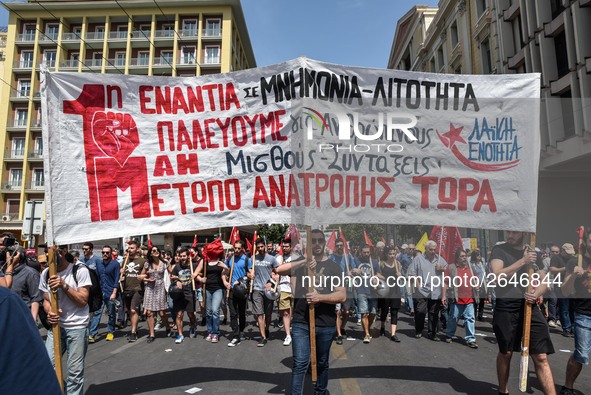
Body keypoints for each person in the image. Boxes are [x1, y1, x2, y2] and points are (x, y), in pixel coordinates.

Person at [276, 229, 346, 395]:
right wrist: (304, 262)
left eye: (319, 241)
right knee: (300, 363)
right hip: (301, 321)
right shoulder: (301, 262)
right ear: (308, 244)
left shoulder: (334, 267)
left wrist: (320, 297)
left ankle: (320, 392)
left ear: (324, 243)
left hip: (325, 323)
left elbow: (342, 295)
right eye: (312, 241)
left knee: (322, 362)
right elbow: (279, 270)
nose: (316, 244)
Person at [490, 231, 555, 395]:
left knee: (541, 356)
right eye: (508, 232)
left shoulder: (534, 254)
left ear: (524, 234)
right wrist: (523, 261)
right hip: (506, 307)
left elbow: (545, 281)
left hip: (529, 306)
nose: (509, 235)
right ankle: (503, 390)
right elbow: (497, 276)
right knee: (506, 353)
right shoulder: (499, 250)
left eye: (514, 232)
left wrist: (536, 292)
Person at [40, 250, 92, 395]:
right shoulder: (46, 273)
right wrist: (50, 311)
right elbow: (45, 299)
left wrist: (64, 285)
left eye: (51, 250)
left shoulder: (79, 270)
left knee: (74, 373)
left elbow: (82, 301)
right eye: (46, 251)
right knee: (47, 366)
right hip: (56, 326)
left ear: (62, 251)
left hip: (77, 327)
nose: (48, 254)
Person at [0, 286, 62, 394]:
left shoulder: (6, 301)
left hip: (21, 321)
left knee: (74, 371)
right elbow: (46, 297)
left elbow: (36, 298)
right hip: (23, 320)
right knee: (52, 362)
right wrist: (49, 309)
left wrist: (33, 318)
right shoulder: (46, 274)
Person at [559, 229, 591, 395]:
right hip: (584, 315)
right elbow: (564, 291)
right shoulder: (575, 262)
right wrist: (573, 276)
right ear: (586, 242)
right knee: (581, 354)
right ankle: (567, 386)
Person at [408, 240, 448, 341]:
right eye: (431, 249)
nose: (433, 251)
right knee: (420, 311)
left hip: (435, 291)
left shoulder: (440, 259)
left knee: (434, 313)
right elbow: (411, 273)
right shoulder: (418, 259)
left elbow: (448, 272)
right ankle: (419, 330)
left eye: (434, 249)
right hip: (422, 290)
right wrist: (416, 282)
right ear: (425, 249)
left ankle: (432, 333)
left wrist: (442, 269)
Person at [443, 249, 479, 349]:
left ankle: (471, 339)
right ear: (457, 258)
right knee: (453, 317)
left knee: (470, 318)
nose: (464, 258)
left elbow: (475, 278)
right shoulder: (451, 268)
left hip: (469, 298)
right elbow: (445, 282)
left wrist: (477, 285)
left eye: (465, 256)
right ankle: (449, 334)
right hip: (456, 298)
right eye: (462, 256)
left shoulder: (471, 267)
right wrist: (444, 296)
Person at [196, 247, 229, 343]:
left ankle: (216, 333)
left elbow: (226, 274)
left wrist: (225, 267)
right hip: (207, 289)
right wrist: (201, 279)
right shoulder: (204, 261)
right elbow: (195, 274)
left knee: (215, 311)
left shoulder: (220, 261)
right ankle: (210, 332)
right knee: (209, 312)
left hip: (218, 289)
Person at [138, 245, 172, 343]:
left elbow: (172, 273)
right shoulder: (147, 263)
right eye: (154, 250)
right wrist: (147, 279)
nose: (156, 251)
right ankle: (152, 334)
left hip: (160, 288)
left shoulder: (165, 262)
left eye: (157, 250)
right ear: (151, 253)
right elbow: (141, 276)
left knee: (162, 313)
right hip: (150, 288)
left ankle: (168, 327)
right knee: (149, 313)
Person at [89, 245, 120, 343]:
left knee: (111, 313)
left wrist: (114, 293)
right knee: (97, 313)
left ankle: (110, 331)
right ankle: (92, 334)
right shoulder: (98, 263)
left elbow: (116, 279)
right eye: (103, 252)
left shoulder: (115, 264)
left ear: (111, 254)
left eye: (107, 252)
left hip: (110, 292)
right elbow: (96, 277)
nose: (105, 254)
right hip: (100, 292)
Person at [252, 238, 280, 346]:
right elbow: (249, 271)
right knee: (260, 314)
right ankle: (262, 336)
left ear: (265, 246)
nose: (260, 249)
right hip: (257, 289)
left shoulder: (272, 259)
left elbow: (278, 274)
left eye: (261, 246)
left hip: (268, 290)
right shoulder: (253, 258)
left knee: (268, 314)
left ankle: (267, 328)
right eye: (258, 247)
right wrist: (250, 275)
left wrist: (271, 282)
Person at [351, 244, 382, 343]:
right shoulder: (356, 260)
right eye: (364, 252)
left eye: (368, 252)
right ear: (361, 252)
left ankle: (367, 328)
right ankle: (367, 334)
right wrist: (355, 271)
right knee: (364, 313)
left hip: (373, 291)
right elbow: (350, 272)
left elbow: (379, 274)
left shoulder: (374, 262)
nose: (366, 254)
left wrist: (376, 278)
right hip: (361, 290)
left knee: (372, 313)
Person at [225, 240, 252, 347]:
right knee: (232, 313)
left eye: (238, 248)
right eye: (235, 248)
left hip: (242, 289)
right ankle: (236, 336)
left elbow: (250, 275)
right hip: (231, 290)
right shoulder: (230, 258)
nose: (236, 250)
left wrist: (241, 279)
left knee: (241, 313)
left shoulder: (246, 259)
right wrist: (225, 281)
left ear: (242, 249)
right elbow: (225, 271)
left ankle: (241, 331)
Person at [328, 237, 354, 344]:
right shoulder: (331, 258)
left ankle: (342, 327)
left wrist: (352, 272)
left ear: (343, 246)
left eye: (341, 245)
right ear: (335, 247)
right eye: (337, 246)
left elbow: (355, 269)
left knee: (346, 311)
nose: (339, 247)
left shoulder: (348, 258)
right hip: (336, 288)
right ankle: (339, 334)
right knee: (338, 312)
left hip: (347, 287)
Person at [170, 247, 199, 343]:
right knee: (179, 315)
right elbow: (172, 277)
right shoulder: (177, 267)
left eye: (184, 256)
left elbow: (199, 274)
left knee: (190, 314)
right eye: (181, 256)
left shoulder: (193, 265)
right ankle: (180, 334)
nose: (182, 258)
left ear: (188, 256)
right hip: (179, 294)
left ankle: (193, 326)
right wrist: (176, 280)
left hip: (189, 292)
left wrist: (198, 278)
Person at [120, 240, 146, 342]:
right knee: (129, 311)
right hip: (126, 289)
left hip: (137, 289)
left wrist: (143, 276)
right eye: (129, 248)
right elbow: (123, 276)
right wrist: (121, 273)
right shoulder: (125, 261)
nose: (130, 250)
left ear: (137, 249)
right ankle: (134, 327)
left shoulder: (142, 261)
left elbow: (146, 274)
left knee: (133, 310)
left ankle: (133, 332)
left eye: (132, 248)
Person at [551, 243, 576, 337]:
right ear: (562, 251)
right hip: (559, 284)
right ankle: (566, 328)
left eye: (571, 253)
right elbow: (552, 269)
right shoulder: (556, 258)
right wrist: (566, 269)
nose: (570, 255)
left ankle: (573, 328)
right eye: (568, 253)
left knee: (572, 308)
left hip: (572, 285)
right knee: (564, 307)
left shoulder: (573, 259)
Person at [277, 238, 298, 346]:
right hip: (284, 288)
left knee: (294, 313)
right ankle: (288, 335)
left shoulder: (297, 257)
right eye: (283, 246)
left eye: (286, 246)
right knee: (285, 313)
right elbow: (275, 272)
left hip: (296, 288)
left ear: (291, 247)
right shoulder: (279, 258)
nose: (284, 248)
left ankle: (296, 331)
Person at [379, 246, 402, 342]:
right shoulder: (382, 264)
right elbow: (377, 274)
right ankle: (382, 326)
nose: (392, 256)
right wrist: (380, 276)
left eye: (394, 254)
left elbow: (401, 276)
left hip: (395, 291)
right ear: (386, 254)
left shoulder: (398, 264)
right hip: (385, 291)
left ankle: (393, 334)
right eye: (390, 254)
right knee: (384, 310)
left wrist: (400, 275)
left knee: (394, 311)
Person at [470, 249, 488, 321]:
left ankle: (480, 315)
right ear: (474, 256)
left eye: (480, 254)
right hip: (475, 284)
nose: (479, 256)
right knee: (474, 301)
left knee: (482, 300)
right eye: (477, 255)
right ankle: (473, 315)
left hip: (482, 284)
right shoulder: (472, 264)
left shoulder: (482, 264)